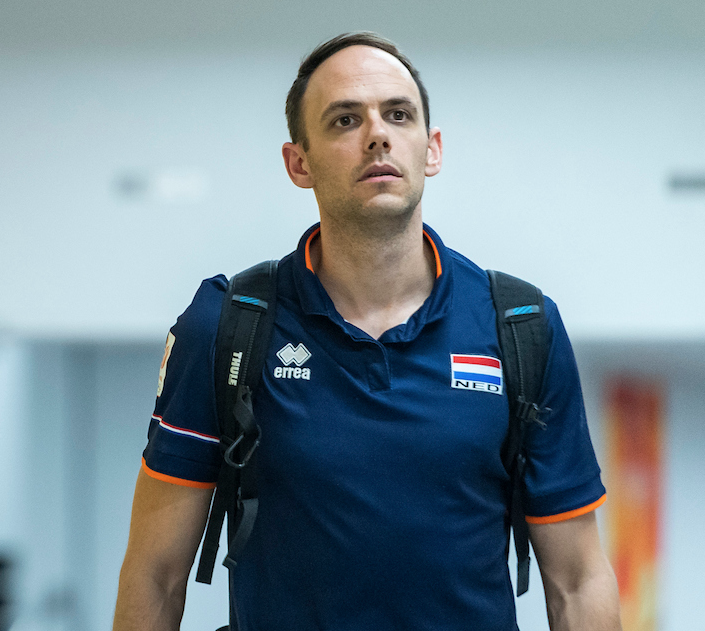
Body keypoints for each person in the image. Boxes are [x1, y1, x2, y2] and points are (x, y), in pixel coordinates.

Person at [112, 32, 622, 631]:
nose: (378, 134)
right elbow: (155, 574)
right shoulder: (228, 324)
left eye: (398, 115)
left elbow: (578, 581)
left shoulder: (521, 327)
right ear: (299, 163)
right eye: (345, 120)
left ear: (432, 150)